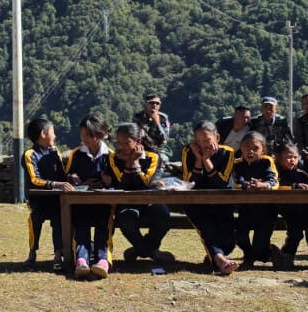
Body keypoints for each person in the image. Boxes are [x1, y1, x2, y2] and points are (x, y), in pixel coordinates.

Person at [103, 122, 171, 264]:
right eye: (118, 143)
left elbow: (147, 184)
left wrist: (134, 163)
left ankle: (140, 249)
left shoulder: (153, 157)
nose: (121, 147)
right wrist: (130, 162)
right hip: (126, 203)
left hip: (150, 201)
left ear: (138, 142)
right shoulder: (113, 158)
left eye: (126, 143)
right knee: (126, 218)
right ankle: (152, 252)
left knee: (163, 216)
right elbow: (121, 184)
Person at [179, 122, 237, 275]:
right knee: (207, 228)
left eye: (206, 140)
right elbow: (189, 182)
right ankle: (220, 260)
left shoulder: (227, 152)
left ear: (217, 138)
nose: (201, 145)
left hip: (222, 201)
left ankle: (217, 255)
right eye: (197, 141)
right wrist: (198, 160)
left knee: (229, 242)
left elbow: (221, 182)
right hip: (196, 202)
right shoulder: (188, 151)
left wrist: (206, 160)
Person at [64, 115, 113, 279]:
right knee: (81, 227)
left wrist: (108, 182)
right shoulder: (76, 154)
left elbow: (117, 181)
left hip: (104, 203)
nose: (83, 139)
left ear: (100, 135)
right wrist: (75, 179)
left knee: (103, 228)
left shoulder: (110, 156)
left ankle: (102, 261)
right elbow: (67, 176)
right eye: (82, 134)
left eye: (87, 135)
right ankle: (82, 260)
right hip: (80, 203)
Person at [22, 115, 69, 268]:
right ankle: (32, 253)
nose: (55, 136)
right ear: (43, 134)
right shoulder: (30, 154)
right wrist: (54, 184)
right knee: (35, 219)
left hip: (56, 200)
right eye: (53, 132)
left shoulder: (55, 153)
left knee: (59, 219)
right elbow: (34, 180)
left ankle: (58, 254)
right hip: (38, 200)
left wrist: (71, 178)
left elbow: (62, 175)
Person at [272, 140, 308, 271]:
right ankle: (287, 256)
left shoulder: (302, 173)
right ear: (279, 158)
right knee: (295, 234)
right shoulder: (275, 173)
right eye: (288, 157)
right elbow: (276, 186)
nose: (292, 160)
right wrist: (294, 186)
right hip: (290, 211)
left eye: (295, 157)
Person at [231, 130, 279, 267]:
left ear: (263, 149)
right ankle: (249, 255)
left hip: (266, 211)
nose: (250, 151)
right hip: (245, 210)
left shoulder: (267, 161)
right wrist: (246, 185)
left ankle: (268, 252)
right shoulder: (237, 163)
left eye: (255, 148)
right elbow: (236, 181)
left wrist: (262, 185)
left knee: (260, 244)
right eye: (246, 146)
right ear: (241, 147)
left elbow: (273, 181)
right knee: (240, 236)